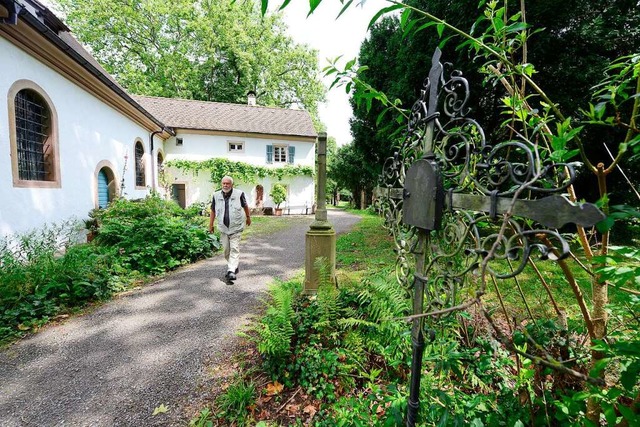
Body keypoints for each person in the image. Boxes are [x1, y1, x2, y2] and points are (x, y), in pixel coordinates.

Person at [208, 176, 251, 281]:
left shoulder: (239, 194)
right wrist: (210, 225)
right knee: (226, 251)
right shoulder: (216, 195)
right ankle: (233, 265)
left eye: (227, 183)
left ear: (232, 185)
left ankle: (231, 270)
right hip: (223, 228)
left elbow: (245, 206)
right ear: (221, 184)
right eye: (224, 183)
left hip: (236, 227)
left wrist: (248, 217)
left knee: (234, 249)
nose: (225, 185)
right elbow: (213, 211)